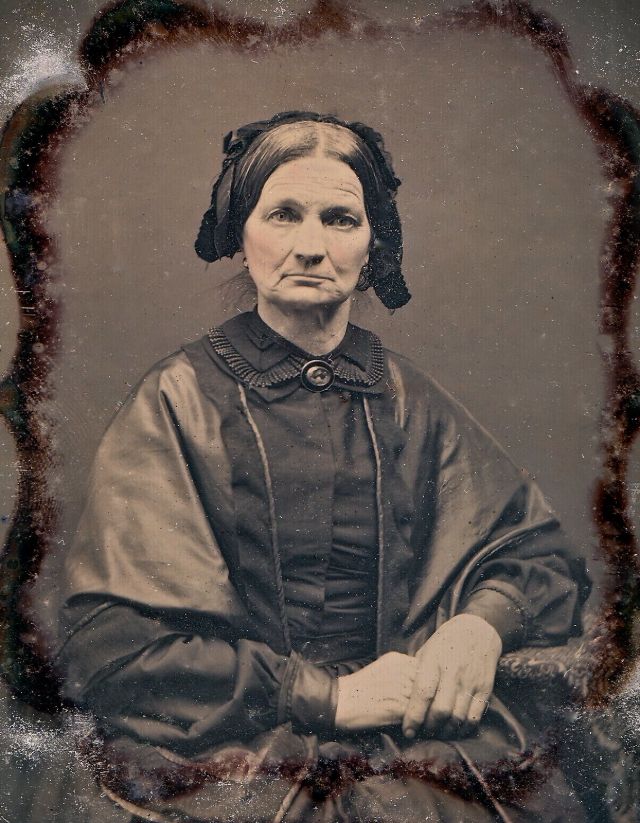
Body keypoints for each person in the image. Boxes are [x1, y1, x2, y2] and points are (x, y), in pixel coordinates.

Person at [55, 111, 591, 822]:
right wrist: (327, 696)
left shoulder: (406, 397)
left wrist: (481, 626)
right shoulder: (179, 398)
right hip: (232, 739)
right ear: (240, 233)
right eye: (283, 214)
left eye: (340, 219)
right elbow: (110, 645)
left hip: (407, 725)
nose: (310, 247)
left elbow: (536, 554)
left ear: (373, 245)